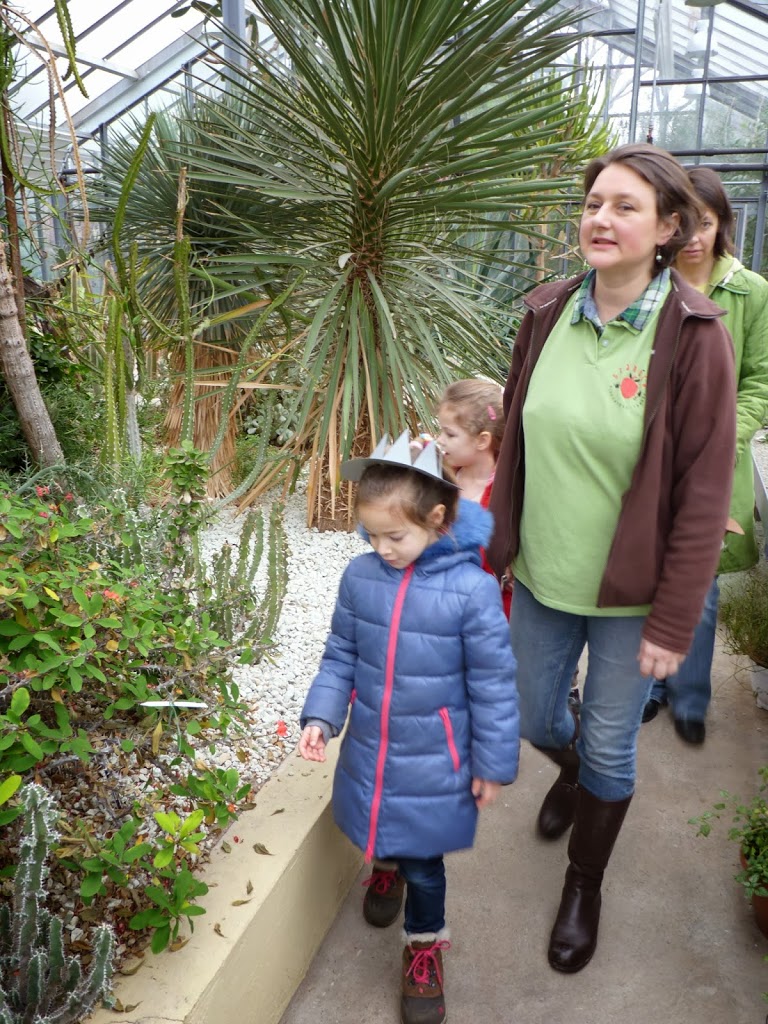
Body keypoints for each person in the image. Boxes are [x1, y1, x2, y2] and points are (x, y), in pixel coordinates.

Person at [486, 143, 737, 974]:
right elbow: (516, 437)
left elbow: (704, 492)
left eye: (626, 206)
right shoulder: (546, 312)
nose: (601, 217)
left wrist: (674, 620)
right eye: (594, 202)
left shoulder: (696, 337)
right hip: (543, 576)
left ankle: (583, 883)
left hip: (634, 596)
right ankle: (574, 775)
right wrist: (497, 541)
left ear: (667, 229)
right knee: (533, 718)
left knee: (611, 742)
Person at [299, 430, 519, 1024]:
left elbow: (494, 684)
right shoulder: (360, 577)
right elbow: (341, 654)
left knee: (426, 865)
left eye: (395, 536)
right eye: (371, 534)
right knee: (378, 828)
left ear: (437, 520)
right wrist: (322, 715)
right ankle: (384, 865)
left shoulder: (472, 590)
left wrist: (493, 763)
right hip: (373, 748)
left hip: (436, 760)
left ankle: (424, 947)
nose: (382, 547)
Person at [643, 166, 768, 744]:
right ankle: (648, 686)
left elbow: (760, 381)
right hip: (648, 454)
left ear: (723, 226)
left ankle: (689, 697)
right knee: (644, 568)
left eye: (707, 222)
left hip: (714, 460)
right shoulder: (647, 285)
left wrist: (720, 437)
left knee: (700, 580)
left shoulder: (751, 292)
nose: (693, 235)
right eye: (682, 221)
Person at [435, 378, 512, 616]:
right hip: (439, 601)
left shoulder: (507, 492)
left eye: (449, 434)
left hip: (486, 608)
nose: (440, 439)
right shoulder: (438, 479)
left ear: (482, 440)